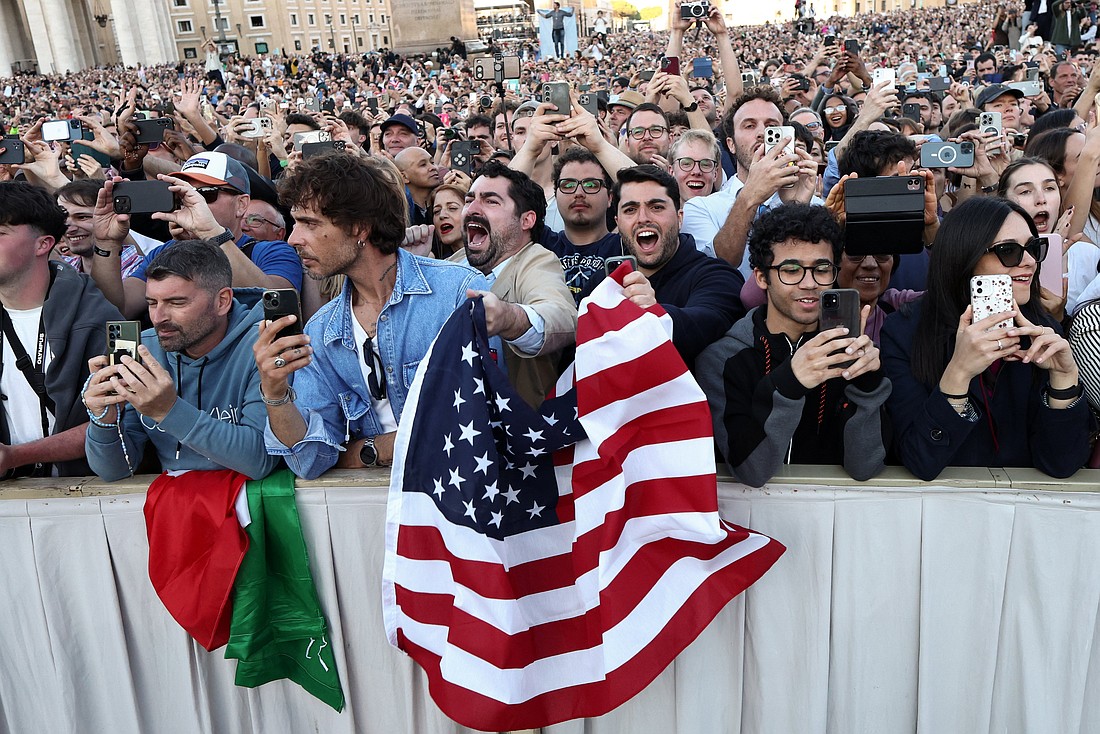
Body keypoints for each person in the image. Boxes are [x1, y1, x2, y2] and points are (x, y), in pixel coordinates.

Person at [253, 152, 488, 480]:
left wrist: (370, 449)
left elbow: (495, 420)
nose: (294, 239)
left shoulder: (458, 292)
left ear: (359, 227)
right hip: (381, 515)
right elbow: (310, 459)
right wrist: (276, 393)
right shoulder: (323, 331)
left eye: (309, 223)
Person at [880, 196, 1090, 481]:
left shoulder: (1043, 331)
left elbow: (1062, 464)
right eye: (1009, 251)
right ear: (964, 256)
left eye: (1033, 248)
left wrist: (1064, 382)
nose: (1028, 262)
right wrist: (958, 374)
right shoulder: (905, 330)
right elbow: (920, 460)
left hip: (1024, 512)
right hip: (936, 512)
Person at [696, 203, 890, 488]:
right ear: (762, 277)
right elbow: (751, 470)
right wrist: (789, 382)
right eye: (791, 270)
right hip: (750, 523)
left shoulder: (847, 351)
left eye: (821, 269)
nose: (809, 283)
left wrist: (869, 383)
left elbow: (865, 467)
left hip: (832, 518)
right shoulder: (723, 358)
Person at [81, 240, 279, 481]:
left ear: (222, 301)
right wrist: (104, 421)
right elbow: (116, 470)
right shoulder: (146, 349)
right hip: (175, 506)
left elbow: (259, 460)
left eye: (176, 303)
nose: (158, 317)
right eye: (152, 303)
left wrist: (168, 411)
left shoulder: (263, 345)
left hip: (258, 506)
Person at [0, 181, 123, 478]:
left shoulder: (107, 321)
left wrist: (15, 456)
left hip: (89, 500)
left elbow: (125, 418)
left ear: (43, 244)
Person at [96, 151, 303, 320]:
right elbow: (118, 308)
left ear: (241, 204)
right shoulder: (164, 252)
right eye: (181, 194)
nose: (191, 202)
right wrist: (106, 243)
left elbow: (279, 307)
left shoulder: (271, 251)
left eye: (206, 194)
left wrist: (211, 233)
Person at [451, 163, 577, 407]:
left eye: (491, 201)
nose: (472, 210)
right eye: (469, 200)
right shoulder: (455, 262)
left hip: (514, 435)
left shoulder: (537, 260)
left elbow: (561, 316)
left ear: (526, 220)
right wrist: (416, 263)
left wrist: (509, 318)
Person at [614, 165, 745, 365]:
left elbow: (708, 323)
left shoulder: (717, 276)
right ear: (618, 222)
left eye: (656, 207)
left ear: (679, 218)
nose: (643, 218)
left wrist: (654, 312)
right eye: (630, 210)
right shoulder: (605, 282)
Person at [395, 146, 441, 227]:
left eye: (432, 162)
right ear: (404, 177)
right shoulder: (397, 213)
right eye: (423, 165)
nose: (433, 168)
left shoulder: (440, 203)